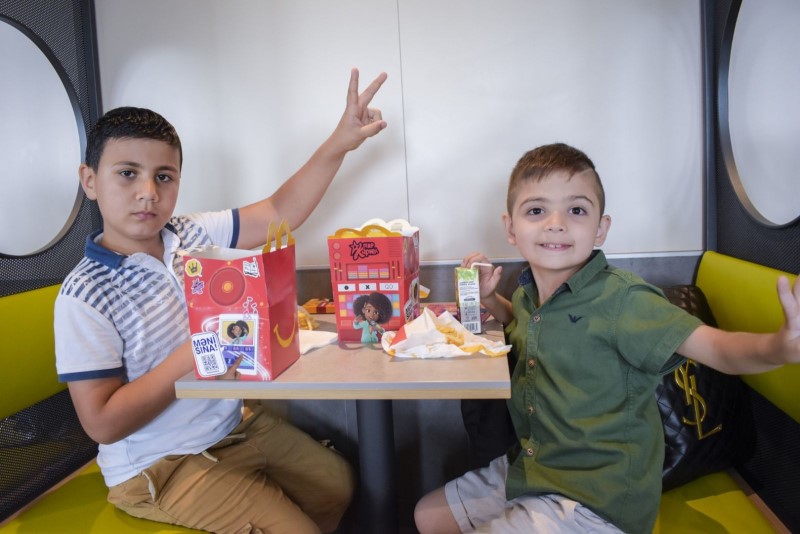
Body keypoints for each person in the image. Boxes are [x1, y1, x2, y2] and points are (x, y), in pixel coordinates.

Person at [54, 68, 387, 534]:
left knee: (339, 483)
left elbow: (280, 211)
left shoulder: (191, 233)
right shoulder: (85, 293)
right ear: (89, 180)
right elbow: (103, 423)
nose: (148, 193)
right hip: (158, 465)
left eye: (164, 176)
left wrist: (340, 142)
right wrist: (196, 351)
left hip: (231, 426)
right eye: (127, 173)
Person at [414, 143, 800, 534]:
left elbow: (716, 348)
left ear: (601, 228)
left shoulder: (624, 300)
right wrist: (488, 300)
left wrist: (779, 346)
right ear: (511, 228)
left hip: (597, 500)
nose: (556, 223)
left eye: (576, 210)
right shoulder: (528, 294)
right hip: (535, 465)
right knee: (428, 516)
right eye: (536, 210)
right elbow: (527, 324)